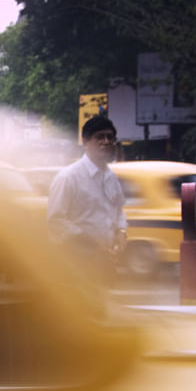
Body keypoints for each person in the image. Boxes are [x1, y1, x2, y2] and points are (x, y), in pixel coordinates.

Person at [47, 115, 127, 282]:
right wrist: (88, 243)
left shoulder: (111, 177)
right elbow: (56, 221)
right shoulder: (68, 177)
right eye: (100, 137)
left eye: (110, 137)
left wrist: (121, 231)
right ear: (85, 141)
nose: (106, 142)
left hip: (104, 262)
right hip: (75, 263)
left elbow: (118, 209)